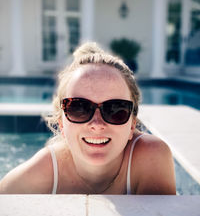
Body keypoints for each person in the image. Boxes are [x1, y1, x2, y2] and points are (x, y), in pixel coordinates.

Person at [0, 42, 176, 195]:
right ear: (62, 123)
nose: (97, 124)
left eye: (115, 109)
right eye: (79, 108)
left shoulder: (151, 156)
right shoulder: (44, 171)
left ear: (132, 125)